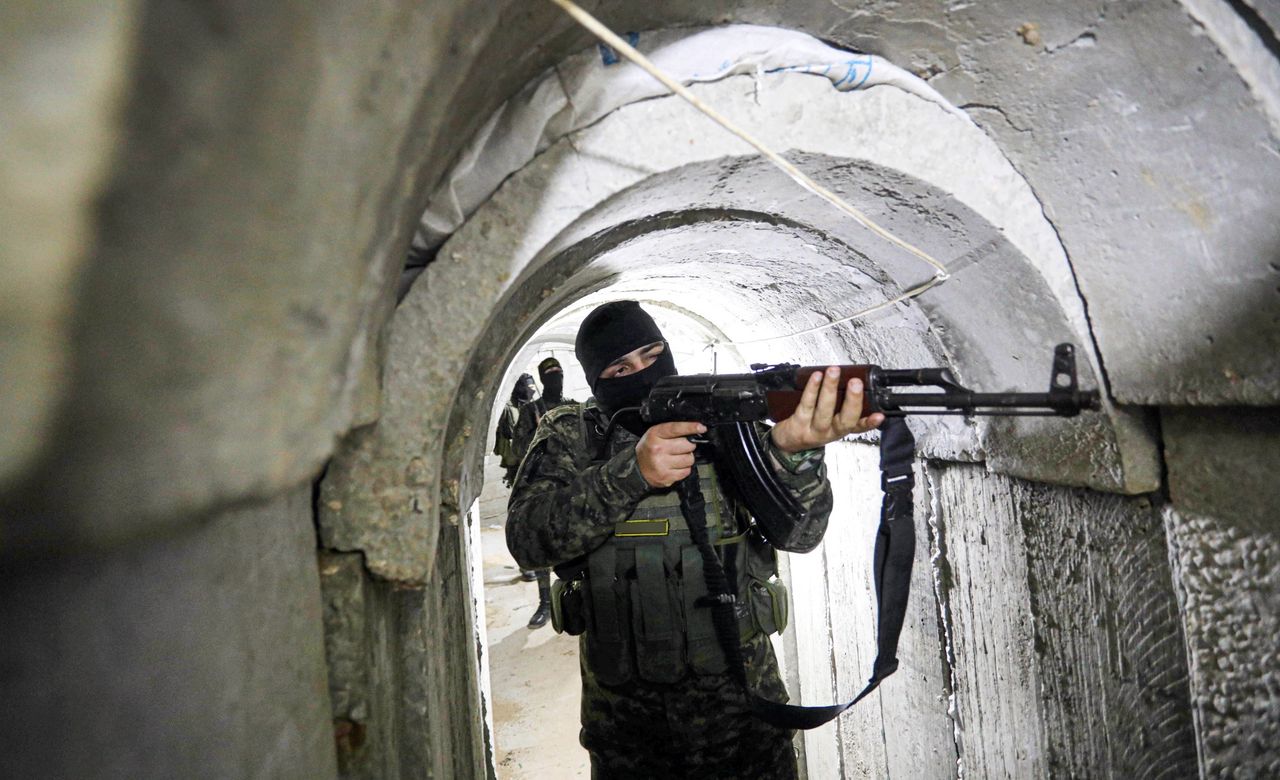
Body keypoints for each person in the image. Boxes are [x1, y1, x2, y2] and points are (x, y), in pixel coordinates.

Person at [506, 301, 882, 778]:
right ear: (597, 381)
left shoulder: (723, 421)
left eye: (652, 352)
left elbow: (803, 535)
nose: (643, 372)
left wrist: (795, 454)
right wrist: (630, 475)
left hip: (748, 722)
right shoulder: (571, 436)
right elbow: (527, 539)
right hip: (629, 735)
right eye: (621, 367)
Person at [512, 356, 578, 628]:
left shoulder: (573, 407)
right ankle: (545, 603)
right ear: (542, 378)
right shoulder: (531, 410)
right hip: (541, 487)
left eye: (559, 372)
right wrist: (537, 435)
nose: (556, 377)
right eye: (550, 373)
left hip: (571, 485)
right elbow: (517, 450)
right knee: (539, 541)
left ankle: (573, 598)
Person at [494, 373, 537, 487]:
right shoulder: (508, 407)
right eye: (529, 388)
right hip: (514, 457)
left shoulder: (533, 406)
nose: (531, 392)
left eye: (533, 388)